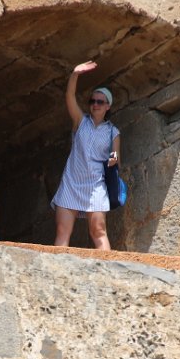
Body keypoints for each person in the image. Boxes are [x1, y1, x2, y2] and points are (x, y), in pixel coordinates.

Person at [51, 61, 120, 249]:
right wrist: (75, 74)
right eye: (92, 101)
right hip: (72, 181)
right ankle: (56, 269)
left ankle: (108, 269)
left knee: (98, 231)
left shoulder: (113, 131)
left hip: (95, 184)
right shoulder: (81, 122)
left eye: (100, 102)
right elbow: (70, 96)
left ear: (107, 106)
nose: (95, 105)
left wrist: (112, 160)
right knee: (62, 231)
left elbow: (115, 155)